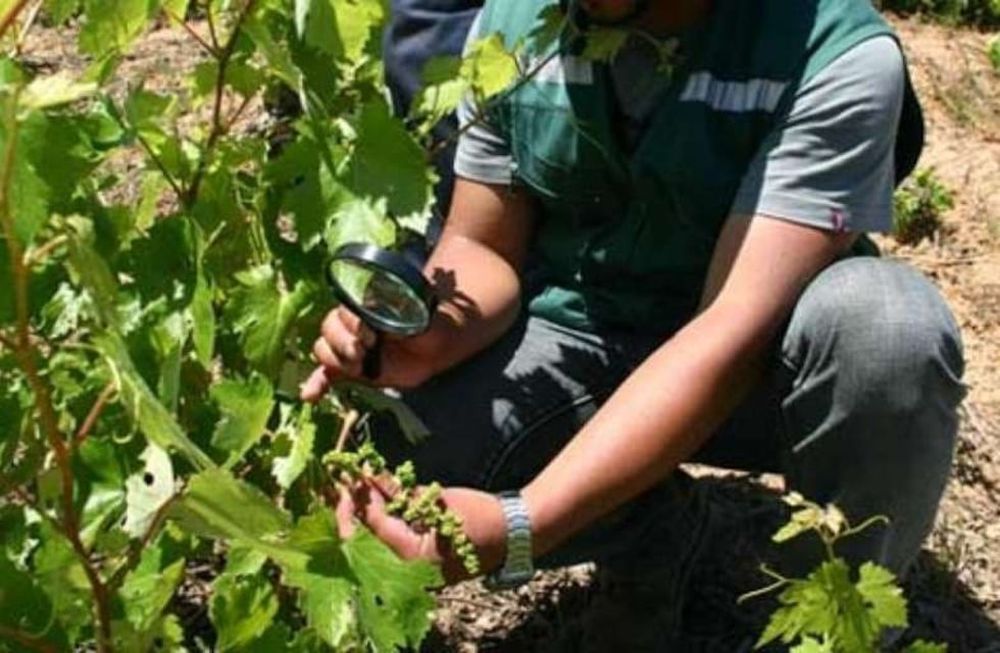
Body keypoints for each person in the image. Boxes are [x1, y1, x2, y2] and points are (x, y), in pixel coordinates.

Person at [303, 0, 966, 637]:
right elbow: (482, 245)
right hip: (586, 330)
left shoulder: (834, 51)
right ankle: (651, 528)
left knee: (889, 332)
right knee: (400, 454)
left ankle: (831, 623)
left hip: (766, 368)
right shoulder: (514, 24)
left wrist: (523, 523)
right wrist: (429, 333)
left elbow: (730, 328)